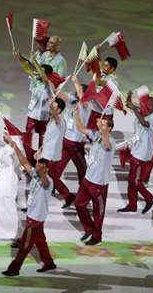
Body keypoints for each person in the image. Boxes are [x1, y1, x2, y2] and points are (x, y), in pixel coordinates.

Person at [2, 135, 56, 277]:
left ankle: (14, 268)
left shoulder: (48, 181)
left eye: (41, 166)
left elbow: (45, 183)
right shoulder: (36, 174)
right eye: (37, 164)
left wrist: (42, 172)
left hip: (36, 217)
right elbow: (24, 161)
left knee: (25, 245)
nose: (36, 167)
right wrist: (14, 146)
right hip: (35, 216)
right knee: (40, 240)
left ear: (46, 169)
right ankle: (49, 262)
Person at [72, 110, 115, 245]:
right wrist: (76, 115)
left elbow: (107, 146)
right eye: (100, 124)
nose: (100, 126)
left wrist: (104, 134)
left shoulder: (111, 141)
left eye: (103, 125)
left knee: (98, 212)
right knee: (79, 204)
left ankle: (97, 237)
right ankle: (89, 228)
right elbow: (80, 128)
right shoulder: (95, 135)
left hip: (100, 184)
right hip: (88, 179)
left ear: (109, 128)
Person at [48, 76, 90, 207]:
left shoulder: (86, 106)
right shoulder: (72, 102)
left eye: (78, 91)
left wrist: (77, 83)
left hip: (76, 146)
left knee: (83, 173)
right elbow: (58, 93)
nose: (75, 93)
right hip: (65, 143)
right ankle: (67, 195)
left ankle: (85, 197)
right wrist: (47, 80)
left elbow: (82, 99)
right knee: (53, 172)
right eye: (76, 91)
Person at [117, 91, 153, 214]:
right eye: (145, 105)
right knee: (131, 179)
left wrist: (135, 109)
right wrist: (129, 97)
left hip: (143, 154)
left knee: (135, 181)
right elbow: (130, 105)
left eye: (148, 105)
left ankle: (149, 198)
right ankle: (132, 204)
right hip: (136, 150)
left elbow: (144, 124)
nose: (145, 107)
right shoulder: (142, 112)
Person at [40, 97, 71, 208]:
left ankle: (68, 195)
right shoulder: (52, 120)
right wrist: (40, 150)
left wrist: (50, 104)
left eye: (53, 106)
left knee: (52, 176)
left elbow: (56, 117)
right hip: (47, 153)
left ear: (59, 110)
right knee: (48, 175)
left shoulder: (60, 121)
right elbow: (48, 138)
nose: (50, 108)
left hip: (53, 155)